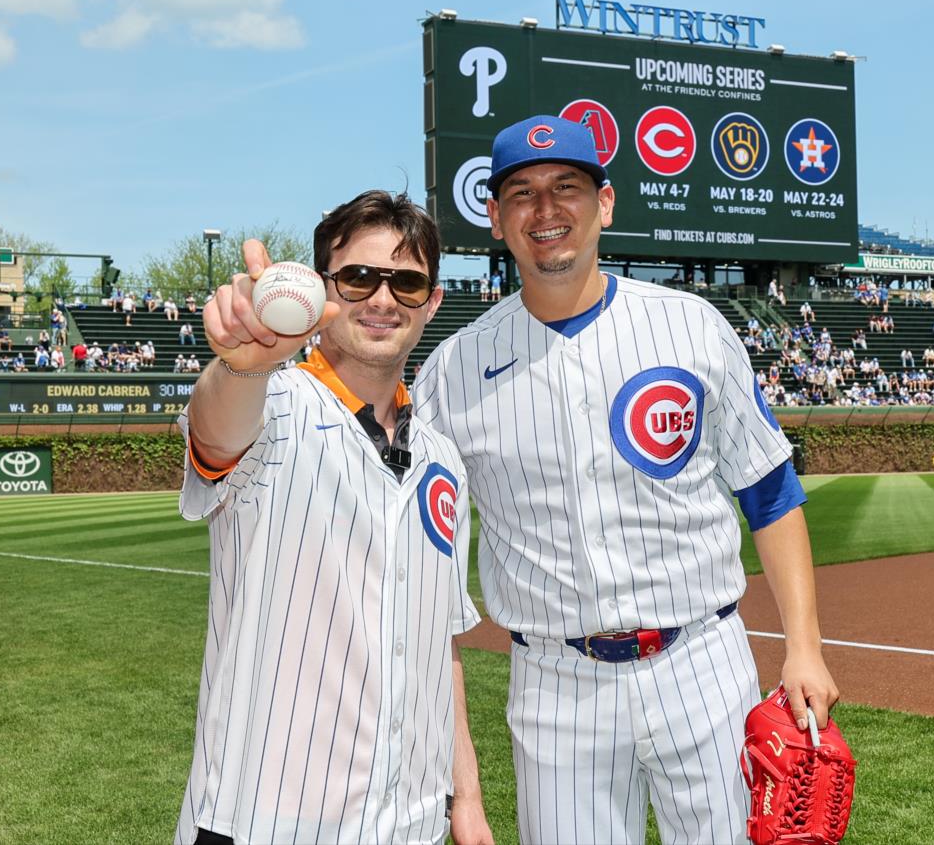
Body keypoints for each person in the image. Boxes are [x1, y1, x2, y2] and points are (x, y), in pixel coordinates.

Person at [413, 116, 838, 845]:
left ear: (605, 204)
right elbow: (423, 564)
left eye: (567, 187)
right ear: (495, 217)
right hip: (554, 678)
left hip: (701, 660)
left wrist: (804, 644)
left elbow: (769, 489)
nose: (546, 210)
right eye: (521, 192)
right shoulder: (451, 371)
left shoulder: (692, 326)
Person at [174, 190, 492, 845]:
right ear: (323, 291)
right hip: (264, 822)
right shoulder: (276, 403)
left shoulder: (444, 461)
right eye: (358, 278)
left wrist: (468, 798)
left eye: (406, 283)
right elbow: (217, 427)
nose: (382, 299)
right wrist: (241, 366)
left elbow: (441, 647)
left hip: (410, 825)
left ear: (431, 303)